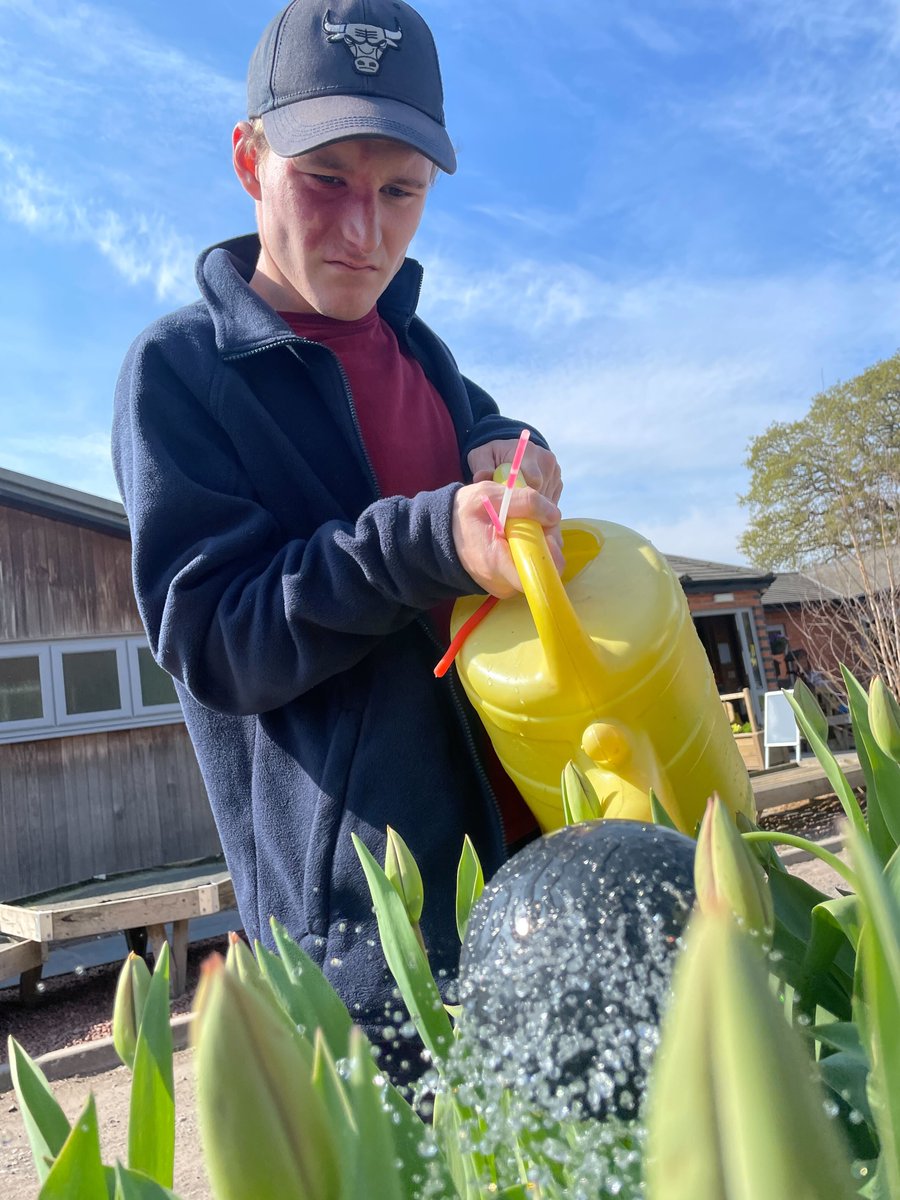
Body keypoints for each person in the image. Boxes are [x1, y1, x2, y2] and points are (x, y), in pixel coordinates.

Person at [112, 0, 563, 1074]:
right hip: (366, 956)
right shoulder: (183, 375)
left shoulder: (435, 364)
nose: (365, 231)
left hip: (534, 872)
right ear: (248, 159)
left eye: (400, 190)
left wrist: (514, 452)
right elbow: (217, 638)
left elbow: (486, 460)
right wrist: (425, 544)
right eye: (325, 181)